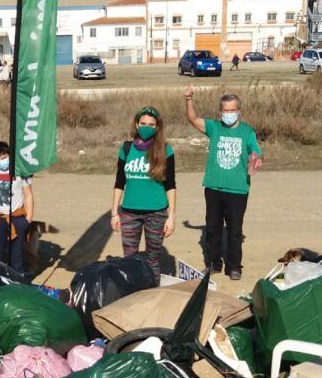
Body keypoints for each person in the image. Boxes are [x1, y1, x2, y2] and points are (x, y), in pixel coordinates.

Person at [185, 88, 262, 280]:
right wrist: (188, 99)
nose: (228, 114)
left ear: (239, 111)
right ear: (220, 112)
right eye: (225, 111)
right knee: (212, 229)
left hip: (237, 189)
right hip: (213, 187)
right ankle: (214, 264)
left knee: (235, 231)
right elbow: (193, 119)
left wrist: (256, 159)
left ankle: (234, 267)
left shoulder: (247, 131)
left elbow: (256, 152)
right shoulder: (214, 127)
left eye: (232, 110)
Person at [111, 106, 176, 276]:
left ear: (157, 127)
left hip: (156, 212)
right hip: (129, 212)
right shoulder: (126, 148)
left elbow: (170, 185)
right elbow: (119, 182)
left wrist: (172, 216)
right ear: (136, 124)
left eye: (151, 124)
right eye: (143, 123)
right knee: (129, 258)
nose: (146, 127)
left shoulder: (165, 149)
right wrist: (114, 213)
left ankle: (152, 291)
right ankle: (132, 293)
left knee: (153, 259)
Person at [0, 141, 34, 274]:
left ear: (10, 156)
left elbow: (28, 195)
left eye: (4, 158)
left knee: (17, 254)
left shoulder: (20, 171)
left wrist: (28, 219)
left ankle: (17, 281)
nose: (1, 161)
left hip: (17, 217)